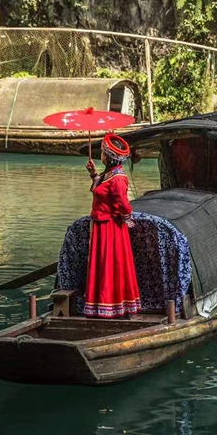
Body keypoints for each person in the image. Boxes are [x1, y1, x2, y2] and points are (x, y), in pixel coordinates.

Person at [83, 133, 141, 318]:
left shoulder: (118, 178)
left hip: (110, 229)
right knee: (102, 265)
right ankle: (100, 305)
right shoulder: (109, 173)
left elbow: (123, 204)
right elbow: (100, 191)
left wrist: (125, 217)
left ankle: (111, 306)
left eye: (102, 152)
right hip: (101, 226)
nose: (100, 155)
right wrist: (93, 174)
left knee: (109, 265)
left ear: (108, 156)